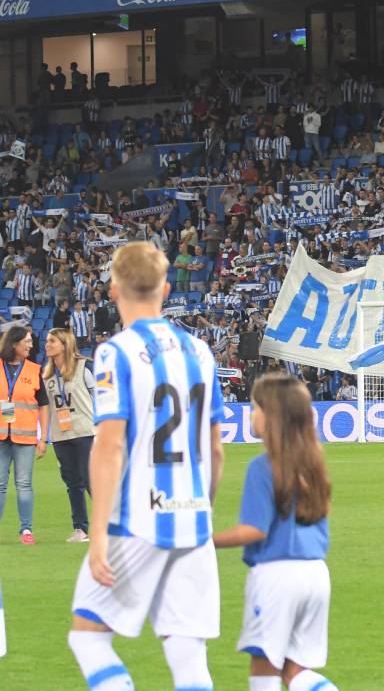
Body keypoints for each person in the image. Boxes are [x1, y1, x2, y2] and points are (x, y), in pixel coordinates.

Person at [68, 242, 226, 691]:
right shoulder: (200, 351)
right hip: (193, 520)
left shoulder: (114, 353)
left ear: (113, 289)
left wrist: (96, 535)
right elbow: (215, 449)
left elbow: (109, 446)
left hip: (137, 519)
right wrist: (203, 508)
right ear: (166, 287)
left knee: (89, 639)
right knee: (188, 654)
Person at [214, 373, 336, 691]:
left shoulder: (263, 465)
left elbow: (254, 529)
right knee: (295, 669)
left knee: (265, 663)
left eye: (256, 408)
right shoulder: (314, 463)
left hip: (277, 576)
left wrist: (205, 542)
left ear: (274, 417)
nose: (251, 414)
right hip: (316, 575)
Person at [43, 327, 96, 542]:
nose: (47, 344)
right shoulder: (46, 374)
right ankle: (80, 528)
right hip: (60, 435)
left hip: (85, 431)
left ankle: (112, 524)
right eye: (47, 341)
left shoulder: (85, 367)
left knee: (90, 479)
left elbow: (101, 397)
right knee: (72, 481)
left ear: (65, 344)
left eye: (52, 341)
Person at [0, 323, 45, 543]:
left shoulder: (35, 369)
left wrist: (43, 437)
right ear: (14, 343)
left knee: (24, 483)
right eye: (27, 340)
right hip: (1, 437)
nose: (31, 344)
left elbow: (43, 405)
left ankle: (26, 530)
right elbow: (7, 399)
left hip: (25, 437)